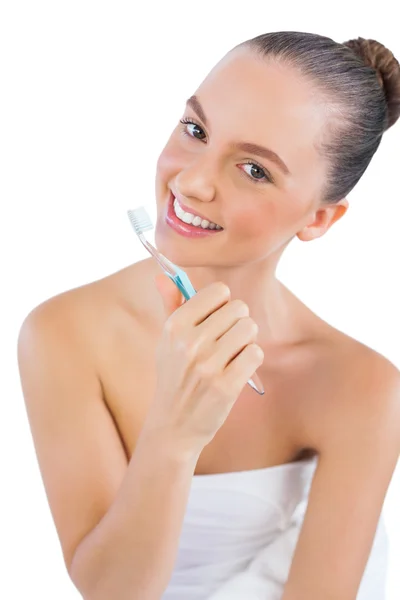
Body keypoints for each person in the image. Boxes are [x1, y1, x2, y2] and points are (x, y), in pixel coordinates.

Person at [18, 31, 400, 600]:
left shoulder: (362, 386)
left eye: (254, 171)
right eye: (196, 130)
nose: (191, 181)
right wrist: (174, 432)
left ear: (319, 219)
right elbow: (110, 591)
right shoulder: (62, 334)